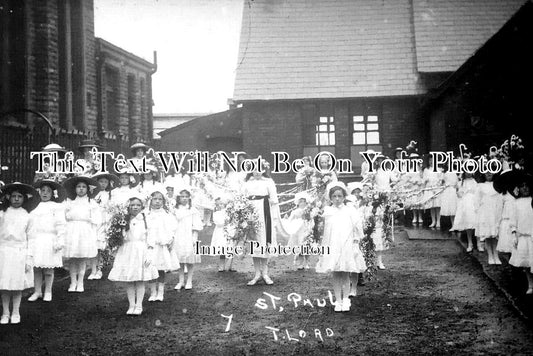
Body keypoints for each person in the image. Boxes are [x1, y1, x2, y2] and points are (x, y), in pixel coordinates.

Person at [315, 182, 366, 312]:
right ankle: (338, 300)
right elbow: (324, 232)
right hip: (333, 246)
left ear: (344, 197)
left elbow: (357, 229)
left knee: (346, 272)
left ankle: (346, 300)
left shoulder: (350, 211)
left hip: (347, 245)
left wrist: (355, 243)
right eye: (334, 196)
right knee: (336, 273)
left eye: (339, 196)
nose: (337, 199)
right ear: (330, 198)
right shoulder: (327, 211)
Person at [108, 197, 159, 314]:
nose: (135, 207)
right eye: (132, 205)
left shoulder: (146, 220)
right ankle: (131, 305)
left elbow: (151, 238)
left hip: (141, 251)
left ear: (142, 207)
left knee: (140, 279)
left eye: (137, 205)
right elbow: (120, 238)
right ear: (128, 207)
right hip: (127, 251)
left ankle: (139, 305)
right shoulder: (123, 220)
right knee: (130, 279)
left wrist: (150, 255)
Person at [0, 182, 39, 324]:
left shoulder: (27, 216)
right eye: (14, 196)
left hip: (19, 252)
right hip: (3, 251)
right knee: (4, 285)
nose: (16, 199)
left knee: (16, 284)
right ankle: (5, 313)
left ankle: (16, 312)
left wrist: (29, 257)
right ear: (8, 197)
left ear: (24, 199)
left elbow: (32, 238)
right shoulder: (2, 214)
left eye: (20, 196)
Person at [27, 180, 66, 302]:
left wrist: (60, 239)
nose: (45, 193)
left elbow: (61, 225)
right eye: (43, 190)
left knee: (48, 268)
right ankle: (37, 291)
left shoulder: (56, 207)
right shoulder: (34, 207)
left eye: (48, 191)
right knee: (36, 267)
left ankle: (48, 291)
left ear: (52, 193)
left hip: (50, 239)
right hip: (37, 239)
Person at [62, 175, 100, 292]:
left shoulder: (92, 203)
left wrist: (90, 223)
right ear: (75, 189)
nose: (81, 189)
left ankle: (80, 282)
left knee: (82, 258)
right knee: (73, 258)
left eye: (84, 187)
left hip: (85, 231)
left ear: (88, 189)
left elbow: (97, 219)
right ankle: (73, 282)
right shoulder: (70, 203)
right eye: (79, 187)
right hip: (72, 231)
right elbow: (63, 217)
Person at [243, 165, 280, 286]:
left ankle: (265, 273)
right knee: (254, 242)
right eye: (254, 169)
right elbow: (242, 199)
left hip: (265, 214)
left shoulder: (268, 182)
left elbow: (274, 201)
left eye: (259, 169)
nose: (257, 172)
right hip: (251, 214)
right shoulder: (247, 183)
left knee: (264, 241)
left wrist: (274, 219)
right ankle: (257, 274)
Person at [146, 191, 179, 302]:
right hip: (150, 245)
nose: (157, 201)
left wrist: (170, 239)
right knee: (150, 268)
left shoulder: (166, 214)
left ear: (163, 201)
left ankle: (160, 292)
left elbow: (172, 228)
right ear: (151, 200)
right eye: (155, 199)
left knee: (160, 269)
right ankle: (153, 292)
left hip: (161, 245)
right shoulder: (146, 214)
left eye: (160, 199)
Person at [89, 173, 119, 279]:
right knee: (93, 246)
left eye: (105, 182)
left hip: (104, 221)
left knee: (101, 246)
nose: (103, 184)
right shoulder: (92, 195)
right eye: (101, 181)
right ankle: (93, 269)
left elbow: (112, 208)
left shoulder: (109, 194)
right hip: (94, 221)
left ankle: (99, 269)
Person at [173, 189, 203, 290]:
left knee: (190, 259)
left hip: (189, 236)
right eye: (182, 196)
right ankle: (181, 281)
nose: (184, 198)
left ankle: (189, 280)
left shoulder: (193, 210)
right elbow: (171, 224)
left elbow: (196, 225)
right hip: (178, 235)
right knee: (180, 259)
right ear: (178, 198)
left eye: (186, 196)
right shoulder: (174, 209)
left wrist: (194, 238)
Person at [508, 176, 533, 294]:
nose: (525, 188)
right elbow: (513, 221)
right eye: (522, 186)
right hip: (523, 236)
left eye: (527, 186)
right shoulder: (516, 203)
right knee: (526, 262)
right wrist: (514, 234)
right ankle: (530, 284)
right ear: (518, 189)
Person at [475, 172, 503, 264]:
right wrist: (478, 212)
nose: (488, 174)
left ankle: (496, 255)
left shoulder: (497, 185)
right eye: (486, 173)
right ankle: (490, 256)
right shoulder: (480, 186)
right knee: (487, 234)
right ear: (483, 174)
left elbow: (500, 199)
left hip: (495, 211)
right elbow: (477, 200)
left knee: (494, 234)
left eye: (490, 172)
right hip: (485, 212)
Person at [285, 192, 314, 270]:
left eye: (303, 201)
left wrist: (310, 227)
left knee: (307, 246)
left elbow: (311, 220)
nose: (302, 203)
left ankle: (307, 262)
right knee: (299, 247)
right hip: (298, 230)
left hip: (306, 229)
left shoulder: (309, 211)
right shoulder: (295, 211)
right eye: (300, 201)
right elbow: (290, 220)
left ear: (306, 202)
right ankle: (299, 263)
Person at [450, 172, 478, 252]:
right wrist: (459, 192)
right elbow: (460, 194)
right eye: (467, 171)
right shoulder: (462, 182)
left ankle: (479, 242)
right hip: (466, 203)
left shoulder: (475, 181)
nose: (469, 173)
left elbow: (478, 192)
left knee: (476, 223)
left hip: (474, 203)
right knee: (468, 223)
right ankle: (470, 243)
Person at [210, 195, 236, 272]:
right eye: (219, 204)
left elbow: (232, 221)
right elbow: (219, 223)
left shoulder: (230, 212)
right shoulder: (216, 213)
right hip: (221, 232)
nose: (221, 206)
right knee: (222, 249)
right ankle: (221, 266)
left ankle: (230, 266)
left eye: (222, 204)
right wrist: (226, 221)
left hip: (229, 230)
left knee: (230, 247)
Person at [422, 157, 443, 228]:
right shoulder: (426, 170)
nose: (431, 162)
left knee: (437, 206)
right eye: (430, 160)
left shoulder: (439, 169)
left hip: (436, 188)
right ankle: (433, 221)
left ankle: (438, 221)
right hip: (429, 188)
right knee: (432, 206)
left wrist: (437, 185)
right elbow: (424, 180)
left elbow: (441, 179)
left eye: (432, 160)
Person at [440, 163, 459, 229]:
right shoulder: (445, 174)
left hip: (452, 191)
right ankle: (453, 225)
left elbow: (456, 184)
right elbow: (442, 183)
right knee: (450, 208)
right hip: (447, 191)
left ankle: (455, 225)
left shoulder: (454, 174)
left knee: (453, 208)